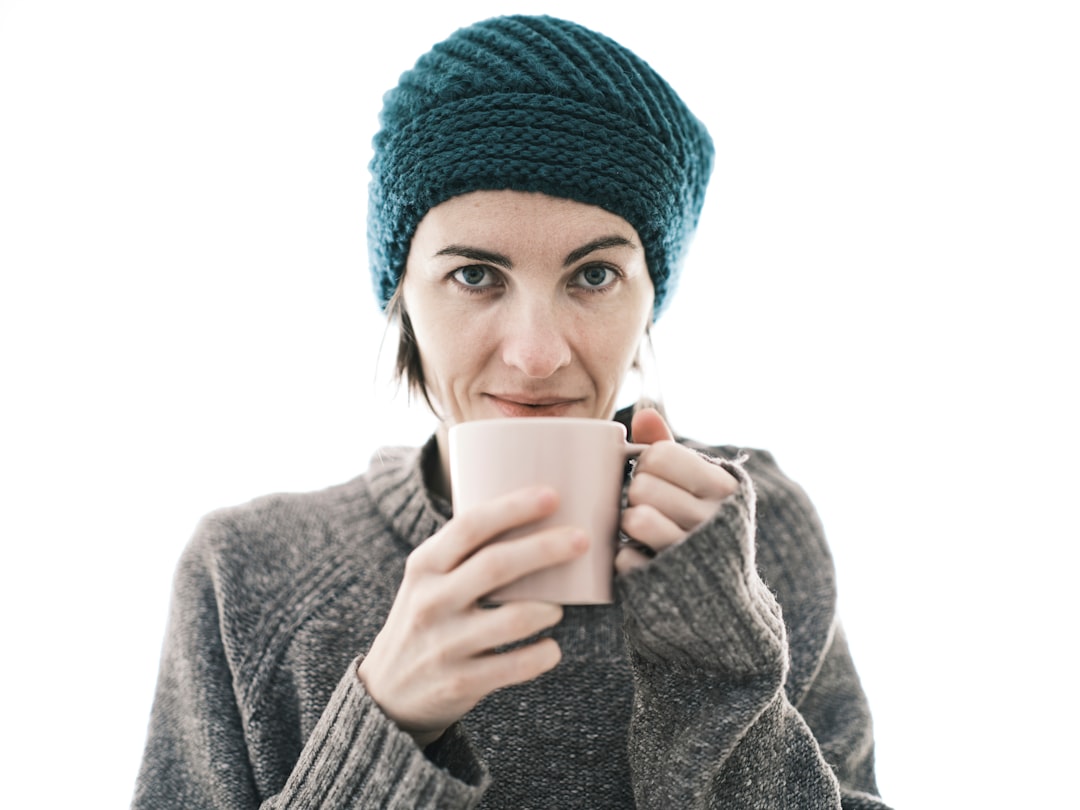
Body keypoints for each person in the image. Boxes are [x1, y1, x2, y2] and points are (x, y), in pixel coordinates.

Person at [133, 15, 891, 809]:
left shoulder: (755, 532)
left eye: (594, 275)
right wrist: (382, 723)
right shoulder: (248, 570)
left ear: (649, 301)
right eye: (474, 276)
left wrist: (721, 671)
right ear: (402, 295)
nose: (537, 355)